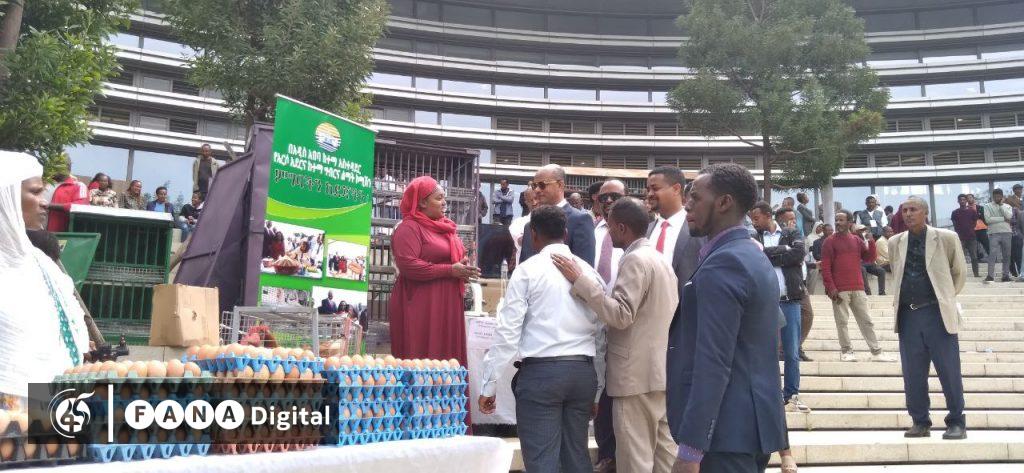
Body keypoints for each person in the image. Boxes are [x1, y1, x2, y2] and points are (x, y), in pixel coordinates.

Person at [666, 163, 787, 473]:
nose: (687, 205)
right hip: (750, 431)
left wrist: (691, 450)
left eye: (695, 197)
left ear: (723, 203)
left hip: (723, 438)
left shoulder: (725, 263)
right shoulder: (753, 256)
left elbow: (714, 361)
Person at [551, 197, 678, 473]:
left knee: (635, 460)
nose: (608, 234)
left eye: (609, 227)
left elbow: (621, 315)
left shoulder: (635, 259)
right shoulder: (659, 258)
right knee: (665, 459)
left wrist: (581, 281)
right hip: (659, 372)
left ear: (621, 228)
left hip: (633, 377)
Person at [478, 205, 606, 473]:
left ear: (533, 234)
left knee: (541, 460)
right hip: (582, 374)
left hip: (542, 375)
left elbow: (508, 333)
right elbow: (600, 334)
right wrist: (597, 389)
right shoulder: (588, 271)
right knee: (577, 457)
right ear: (566, 233)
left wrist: (489, 384)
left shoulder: (527, 271)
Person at [0, 151, 90, 400]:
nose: (45, 202)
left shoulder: (40, 263)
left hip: (48, 404)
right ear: (6, 196)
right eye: (35, 192)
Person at [888, 196, 967, 441]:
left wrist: (944, 297)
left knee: (949, 371)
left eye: (913, 209)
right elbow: (896, 272)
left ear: (925, 212)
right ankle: (920, 421)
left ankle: (956, 421)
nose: (908, 214)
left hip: (937, 313)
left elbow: (959, 273)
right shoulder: (895, 242)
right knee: (913, 373)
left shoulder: (946, 238)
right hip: (908, 315)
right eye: (905, 210)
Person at [389, 176, 479, 367]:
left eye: (444, 197)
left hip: (447, 301)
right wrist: (450, 270)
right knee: (421, 359)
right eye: (439, 198)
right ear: (422, 202)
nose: (444, 202)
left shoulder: (445, 228)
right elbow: (408, 266)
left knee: (448, 359)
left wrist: (462, 267)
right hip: (420, 303)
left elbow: (451, 259)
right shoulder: (408, 228)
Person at [750, 202, 811, 414]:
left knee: (792, 352)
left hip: (789, 299)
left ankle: (791, 394)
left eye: (756, 218)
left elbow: (798, 255)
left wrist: (769, 253)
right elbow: (754, 259)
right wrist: (783, 251)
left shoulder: (791, 233)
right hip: (765, 303)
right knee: (767, 351)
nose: (753, 222)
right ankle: (771, 394)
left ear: (768, 215)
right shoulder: (754, 237)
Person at [821, 210, 896, 362]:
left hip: (858, 288)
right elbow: (826, 266)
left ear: (850, 223)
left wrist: (871, 241)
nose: (837, 223)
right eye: (836, 220)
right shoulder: (829, 241)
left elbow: (869, 258)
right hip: (839, 290)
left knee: (866, 321)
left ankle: (876, 352)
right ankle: (846, 351)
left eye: (841, 220)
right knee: (842, 322)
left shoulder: (856, 240)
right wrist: (831, 287)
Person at [590, 179, 625, 472]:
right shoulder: (590, 231)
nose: (609, 201)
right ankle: (607, 454)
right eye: (604, 197)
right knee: (600, 389)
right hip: (594, 318)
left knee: (622, 389)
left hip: (627, 318)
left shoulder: (639, 231)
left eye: (615, 196)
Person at [519, 165, 595, 266]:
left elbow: (585, 268)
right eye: (534, 186)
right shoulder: (529, 226)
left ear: (560, 185)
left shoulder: (580, 220)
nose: (536, 190)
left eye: (542, 185)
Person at [646, 166, 703, 281]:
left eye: (655, 188)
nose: (650, 194)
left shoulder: (699, 228)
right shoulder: (646, 230)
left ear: (676, 189)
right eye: (648, 190)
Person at [982, 189, 1014, 283]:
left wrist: (1001, 206)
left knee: (1007, 255)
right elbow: (988, 220)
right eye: (995, 196)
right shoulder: (987, 206)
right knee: (992, 254)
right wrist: (1003, 219)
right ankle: (990, 276)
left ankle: (1005, 276)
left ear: (1002, 196)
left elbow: (1009, 216)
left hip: (1007, 232)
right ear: (993, 196)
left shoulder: (1007, 206)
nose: (997, 198)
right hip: (993, 233)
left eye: (999, 196)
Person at [951, 194, 981, 278]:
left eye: (964, 199)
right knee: (960, 257)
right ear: (958, 201)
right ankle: (961, 275)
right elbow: (954, 224)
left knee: (974, 256)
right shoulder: (955, 212)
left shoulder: (972, 211)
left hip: (971, 237)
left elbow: (975, 222)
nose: (962, 201)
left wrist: (970, 229)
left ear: (966, 201)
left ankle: (976, 274)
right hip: (960, 238)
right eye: (960, 200)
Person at [860, 224, 888, 296]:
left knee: (881, 271)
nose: (866, 233)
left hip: (869, 263)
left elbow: (873, 256)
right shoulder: (857, 239)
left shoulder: (870, 240)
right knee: (862, 270)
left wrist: (871, 241)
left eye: (868, 231)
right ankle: (867, 292)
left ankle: (882, 292)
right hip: (859, 263)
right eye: (863, 231)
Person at [967, 194, 990, 259]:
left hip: (982, 228)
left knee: (986, 244)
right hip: (972, 229)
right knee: (974, 246)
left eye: (970, 197)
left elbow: (983, 217)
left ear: (973, 198)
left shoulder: (980, 207)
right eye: (968, 198)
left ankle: (992, 258)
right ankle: (978, 259)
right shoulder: (966, 209)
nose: (969, 199)